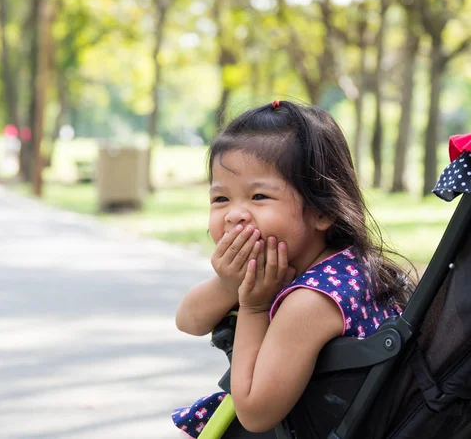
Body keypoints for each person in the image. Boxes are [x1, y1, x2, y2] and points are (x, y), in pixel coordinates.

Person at [172, 100, 415, 438]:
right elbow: (188, 321)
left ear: (322, 211)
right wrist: (229, 284)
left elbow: (256, 413)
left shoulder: (313, 301)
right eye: (220, 199)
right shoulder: (340, 265)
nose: (234, 215)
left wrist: (255, 307)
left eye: (258, 197)